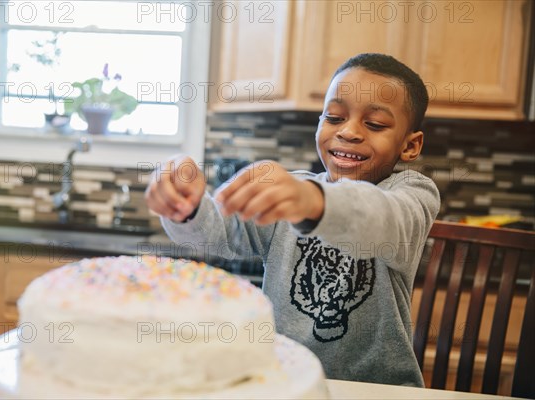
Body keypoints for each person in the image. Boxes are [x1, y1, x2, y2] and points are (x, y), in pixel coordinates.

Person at [145, 53, 440, 387]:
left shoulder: (413, 193)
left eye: (374, 124)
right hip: (286, 381)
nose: (349, 131)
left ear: (411, 145)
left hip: (380, 391)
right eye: (333, 117)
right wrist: (185, 206)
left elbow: (384, 219)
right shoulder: (292, 191)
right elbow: (217, 233)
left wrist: (312, 200)